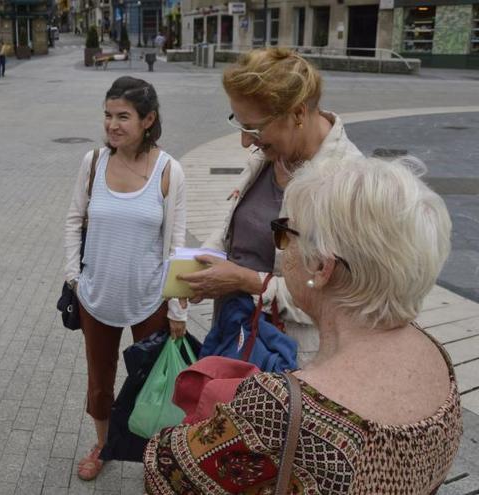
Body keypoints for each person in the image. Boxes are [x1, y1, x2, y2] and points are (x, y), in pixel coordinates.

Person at [145, 156, 462, 493]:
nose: (280, 246)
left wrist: (214, 404)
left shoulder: (279, 407)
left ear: (322, 268)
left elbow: (162, 469)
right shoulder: (436, 358)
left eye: (283, 233)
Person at [178, 48, 361, 365]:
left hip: (288, 358)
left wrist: (242, 281)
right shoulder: (272, 154)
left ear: (298, 114)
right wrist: (199, 267)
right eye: (240, 125)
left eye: (253, 129)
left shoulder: (347, 184)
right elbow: (235, 229)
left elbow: (335, 298)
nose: (245, 143)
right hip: (237, 333)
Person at [63, 76, 187, 481]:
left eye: (123, 116)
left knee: (151, 383)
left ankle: (153, 454)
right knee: (100, 383)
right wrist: (74, 278)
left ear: (148, 119)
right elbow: (74, 220)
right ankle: (103, 445)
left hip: (149, 298)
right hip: (96, 297)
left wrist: (178, 307)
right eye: (107, 115)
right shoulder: (94, 162)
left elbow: (177, 245)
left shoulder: (170, 171)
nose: (112, 125)